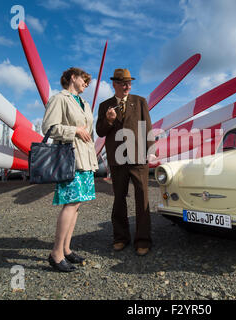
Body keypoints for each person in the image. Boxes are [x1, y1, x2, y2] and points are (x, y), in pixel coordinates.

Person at [42, 67, 98, 272]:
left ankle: (66, 249)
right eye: (84, 79)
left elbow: (88, 131)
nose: (86, 83)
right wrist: (74, 129)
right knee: (70, 202)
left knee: (77, 204)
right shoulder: (59, 99)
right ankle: (55, 254)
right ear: (72, 77)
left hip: (85, 158)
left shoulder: (85, 103)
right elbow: (48, 127)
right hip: (70, 158)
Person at [96, 69, 155, 256]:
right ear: (114, 84)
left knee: (142, 199)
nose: (127, 86)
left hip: (139, 158)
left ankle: (143, 240)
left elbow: (148, 128)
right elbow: (100, 131)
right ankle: (120, 238)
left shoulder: (140, 102)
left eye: (129, 82)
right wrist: (109, 120)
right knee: (119, 199)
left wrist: (150, 151)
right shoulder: (105, 106)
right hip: (117, 158)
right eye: (123, 83)